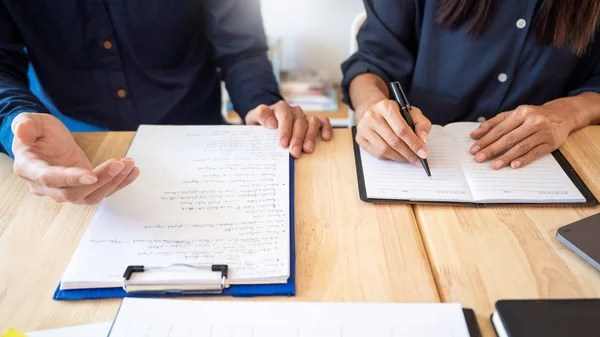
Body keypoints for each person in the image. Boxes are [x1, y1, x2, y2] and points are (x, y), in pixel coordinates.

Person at [0, 0, 332, 205]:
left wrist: (261, 103)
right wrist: (16, 124)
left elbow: (240, 49)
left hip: (198, 143)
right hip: (70, 150)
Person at [343, 0, 600, 170]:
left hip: (544, 166)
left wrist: (568, 113)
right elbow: (372, 61)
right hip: (421, 157)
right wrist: (371, 106)